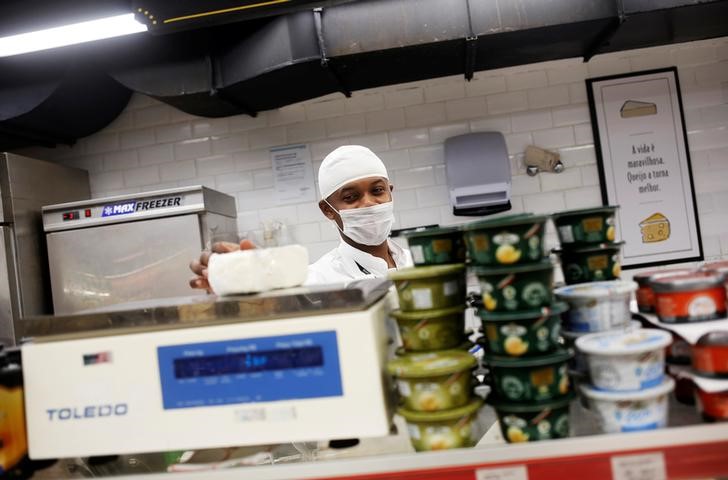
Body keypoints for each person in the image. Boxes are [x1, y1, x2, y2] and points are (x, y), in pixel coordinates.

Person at [189, 145, 412, 291]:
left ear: (390, 192)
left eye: (377, 191)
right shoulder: (318, 281)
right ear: (327, 210)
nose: (368, 203)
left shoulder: (418, 262)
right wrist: (253, 276)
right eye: (351, 197)